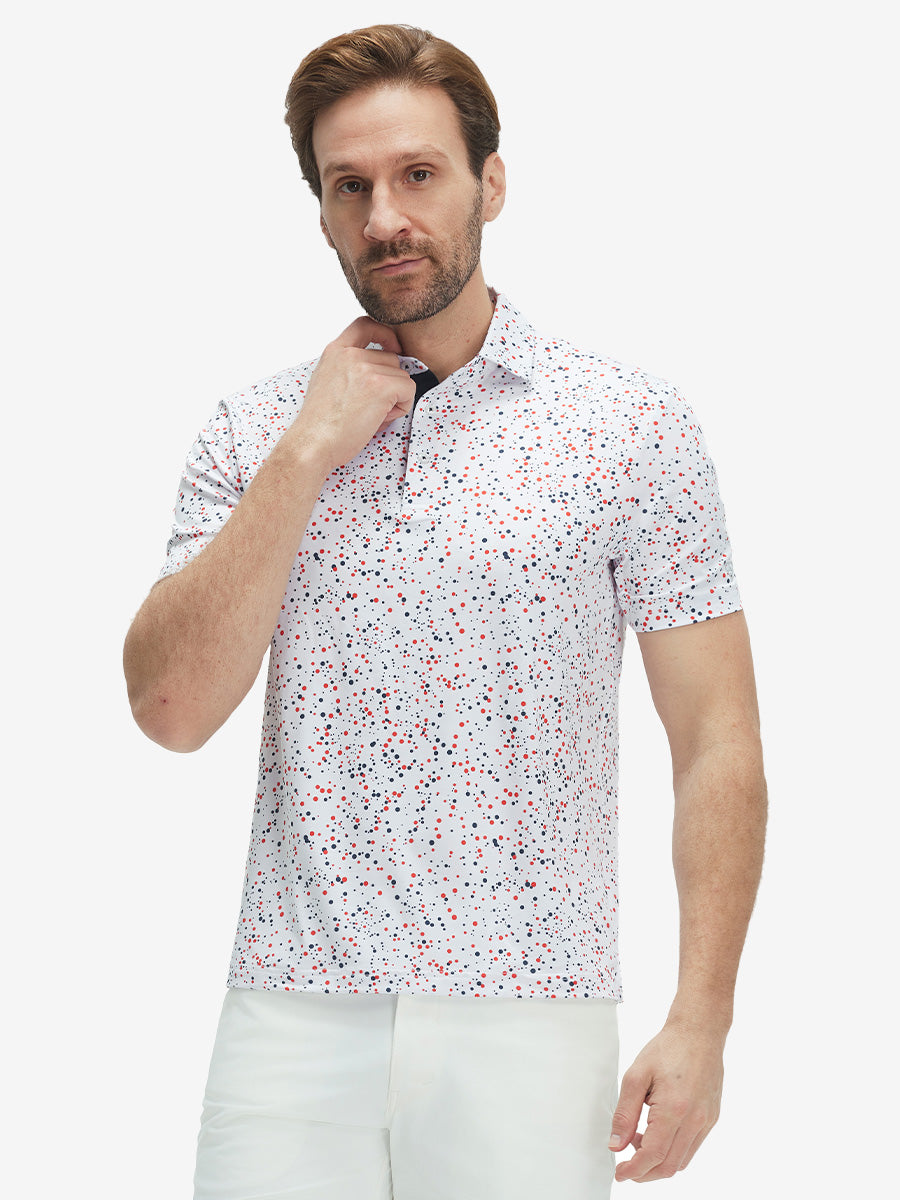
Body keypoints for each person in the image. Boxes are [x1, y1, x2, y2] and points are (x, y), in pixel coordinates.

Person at [123, 23, 767, 1200]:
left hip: (533, 1017)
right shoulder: (252, 431)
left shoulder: (630, 427)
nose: (387, 217)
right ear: (322, 213)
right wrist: (307, 452)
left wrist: (703, 1021)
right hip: (290, 1014)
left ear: (491, 183)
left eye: (418, 174)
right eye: (350, 187)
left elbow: (717, 739)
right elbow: (170, 709)